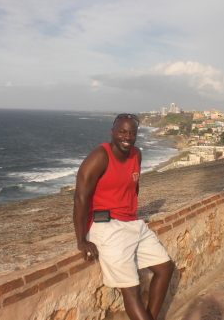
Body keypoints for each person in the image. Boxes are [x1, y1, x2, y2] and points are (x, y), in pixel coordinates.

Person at [73, 113, 174, 320]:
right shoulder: (99, 157)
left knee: (165, 267)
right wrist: (81, 240)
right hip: (107, 227)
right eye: (122, 132)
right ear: (112, 133)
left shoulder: (137, 154)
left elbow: (133, 187)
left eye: (132, 133)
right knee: (131, 288)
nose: (127, 136)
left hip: (132, 222)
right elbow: (80, 199)